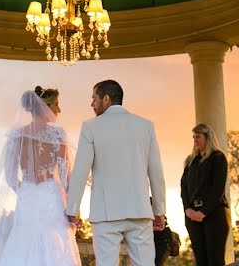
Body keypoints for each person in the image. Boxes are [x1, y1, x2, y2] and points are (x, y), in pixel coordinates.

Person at [0, 86, 80, 265]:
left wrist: (25, 190)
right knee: (55, 243)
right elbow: (66, 175)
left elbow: (10, 175)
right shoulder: (57, 134)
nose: (58, 110)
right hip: (51, 195)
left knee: (23, 240)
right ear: (45, 107)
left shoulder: (16, 135)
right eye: (55, 105)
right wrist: (74, 210)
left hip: (27, 196)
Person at [66, 80, 167, 266]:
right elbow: (156, 173)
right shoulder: (145, 126)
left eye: (94, 99)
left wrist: (72, 208)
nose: (92, 104)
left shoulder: (91, 127)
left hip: (106, 213)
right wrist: (159, 211)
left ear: (106, 99)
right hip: (140, 210)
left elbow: (80, 171)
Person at [180, 124, 230, 266]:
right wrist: (187, 209)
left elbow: (217, 188)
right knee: (200, 260)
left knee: (215, 260)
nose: (195, 140)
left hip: (214, 214)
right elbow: (183, 187)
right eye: (194, 137)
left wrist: (204, 211)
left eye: (198, 137)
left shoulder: (218, 158)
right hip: (192, 216)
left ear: (207, 138)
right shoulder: (191, 161)